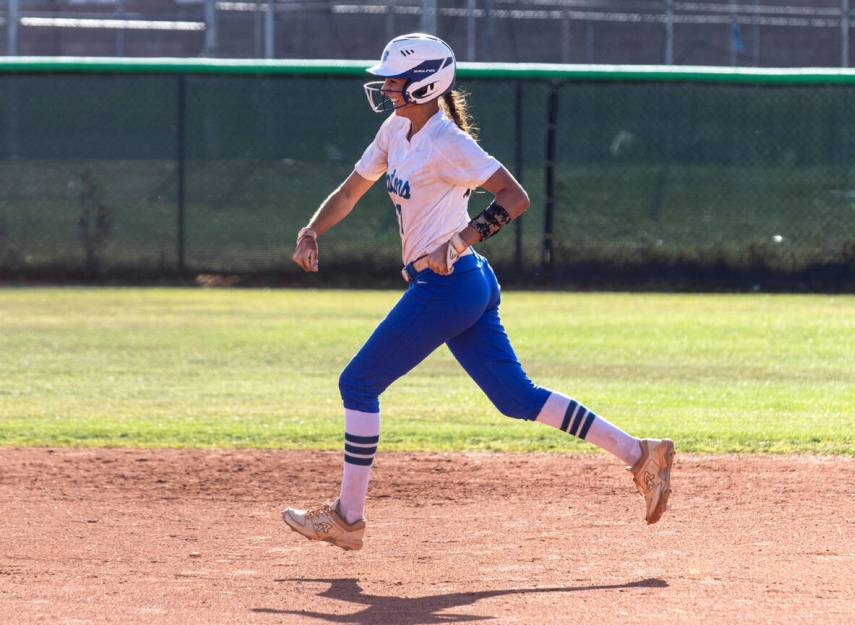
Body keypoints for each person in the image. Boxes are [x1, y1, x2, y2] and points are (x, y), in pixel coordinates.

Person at [282, 34, 674, 551]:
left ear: (425, 84)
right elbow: (352, 189)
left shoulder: (447, 142)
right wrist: (313, 229)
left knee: (357, 383)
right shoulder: (396, 129)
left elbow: (515, 196)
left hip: (449, 286)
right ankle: (641, 454)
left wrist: (461, 238)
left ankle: (347, 518)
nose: (385, 87)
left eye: (394, 80)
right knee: (517, 399)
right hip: (465, 283)